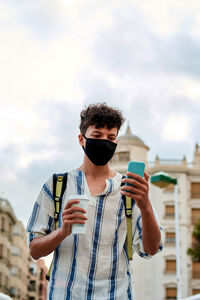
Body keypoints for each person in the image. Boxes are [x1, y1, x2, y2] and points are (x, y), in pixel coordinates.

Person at [27, 103, 163, 300]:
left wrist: (145, 205)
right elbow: (34, 249)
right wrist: (62, 231)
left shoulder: (129, 189)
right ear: (82, 139)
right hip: (65, 295)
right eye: (97, 136)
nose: (104, 142)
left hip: (117, 295)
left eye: (111, 137)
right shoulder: (58, 186)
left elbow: (151, 249)